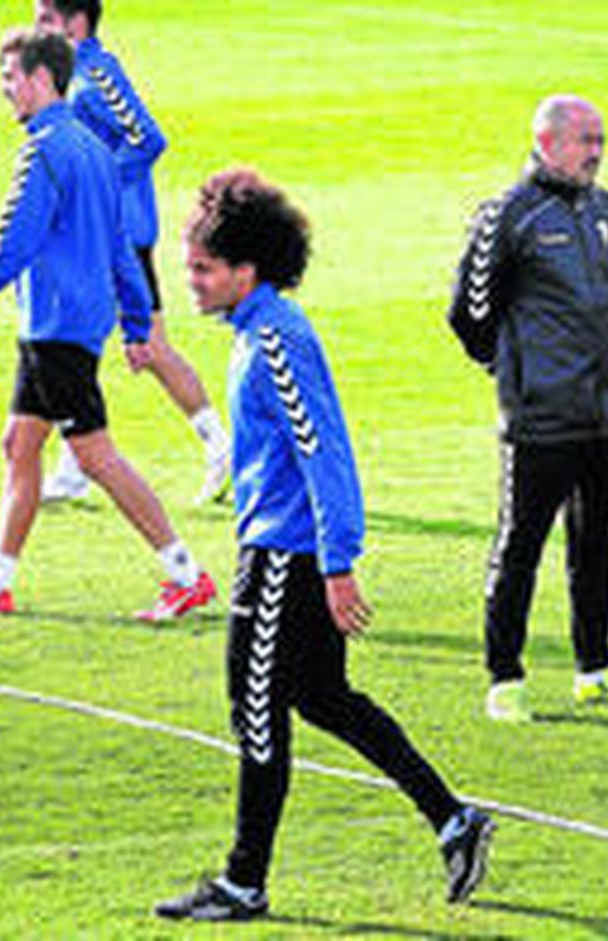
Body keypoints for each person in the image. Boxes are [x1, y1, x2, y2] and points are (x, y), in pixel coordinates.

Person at [154, 168, 493, 921]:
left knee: (256, 707)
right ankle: (453, 820)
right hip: (285, 549)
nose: (195, 284)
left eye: (205, 270)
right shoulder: (257, 331)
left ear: (248, 270)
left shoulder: (276, 341)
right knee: (323, 698)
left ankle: (244, 881)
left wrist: (339, 562)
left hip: (286, 557)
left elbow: (323, 453)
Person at [0, 28, 215, 622]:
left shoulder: (44, 152)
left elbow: (14, 247)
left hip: (56, 328)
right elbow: (118, 248)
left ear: (40, 78)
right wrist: (135, 324)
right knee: (19, 445)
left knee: (96, 456)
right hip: (68, 328)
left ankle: (187, 574)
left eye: (10, 78)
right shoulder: (95, 152)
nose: (5, 91)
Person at [447, 94, 608, 723]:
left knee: (599, 547)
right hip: (541, 418)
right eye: (584, 139)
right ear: (546, 141)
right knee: (520, 547)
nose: (595, 152)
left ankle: (595, 669)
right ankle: (503, 680)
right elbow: (469, 313)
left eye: (601, 140)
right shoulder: (507, 216)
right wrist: (514, 373)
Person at [32, 0, 231, 506]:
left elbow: (149, 139)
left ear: (75, 22)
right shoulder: (72, 73)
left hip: (118, 233)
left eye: (45, 18)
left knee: (145, 347)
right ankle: (75, 466)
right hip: (98, 232)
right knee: (86, 342)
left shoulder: (98, 74)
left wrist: (95, 185)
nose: (36, 27)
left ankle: (218, 444)